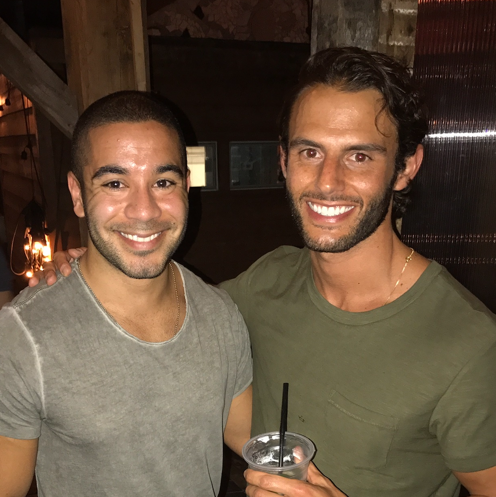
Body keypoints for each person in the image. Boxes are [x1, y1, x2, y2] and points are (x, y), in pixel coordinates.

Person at [31, 48, 496, 497]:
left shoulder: (468, 343)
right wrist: (91, 266)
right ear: (284, 161)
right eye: (310, 152)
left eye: (359, 156)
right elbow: (170, 311)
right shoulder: (267, 281)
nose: (328, 181)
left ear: (406, 167)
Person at [0, 91, 252, 497]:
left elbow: (248, 435)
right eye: (115, 183)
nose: (144, 210)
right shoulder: (24, 334)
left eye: (163, 182)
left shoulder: (220, 313)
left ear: (187, 187)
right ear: (78, 194)